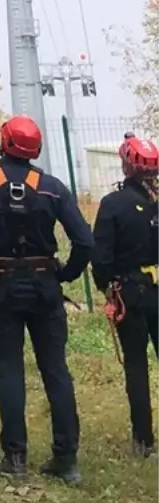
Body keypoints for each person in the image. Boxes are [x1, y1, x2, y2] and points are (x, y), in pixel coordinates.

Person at [0, 114, 93, 484]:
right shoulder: (52, 188)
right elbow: (84, 241)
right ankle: (66, 460)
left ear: (4, 142)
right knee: (55, 370)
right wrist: (65, 273)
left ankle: (15, 459)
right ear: (36, 148)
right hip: (45, 285)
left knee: (10, 368)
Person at [92, 133, 159, 457]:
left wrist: (107, 288)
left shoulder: (113, 204)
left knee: (136, 365)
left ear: (126, 165)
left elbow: (101, 257)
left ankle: (143, 441)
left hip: (129, 294)